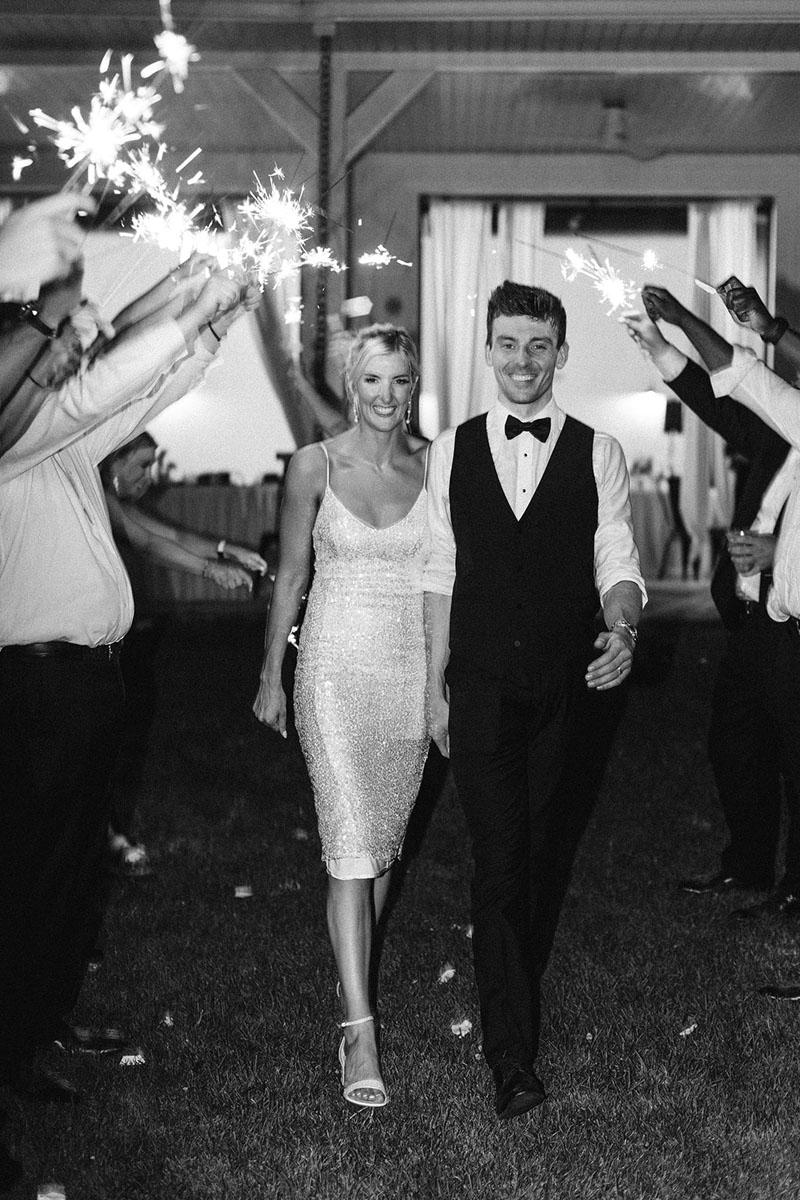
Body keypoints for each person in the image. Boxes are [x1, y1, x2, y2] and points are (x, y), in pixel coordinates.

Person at [0, 258, 256, 1119]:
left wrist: (213, 324)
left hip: (82, 685)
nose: (68, 357)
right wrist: (191, 311)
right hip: (37, 688)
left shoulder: (61, 441)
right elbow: (101, 383)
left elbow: (132, 396)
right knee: (34, 872)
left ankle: (47, 1017)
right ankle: (13, 1047)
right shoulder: (12, 439)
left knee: (73, 867)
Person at [424, 280, 646, 1121]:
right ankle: (510, 1057)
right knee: (500, 859)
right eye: (508, 344)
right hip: (477, 682)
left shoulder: (601, 451)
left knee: (541, 850)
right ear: (487, 350)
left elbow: (617, 561)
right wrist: (432, 688)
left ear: (560, 353)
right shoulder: (451, 449)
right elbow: (438, 570)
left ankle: (515, 976)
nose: (523, 361)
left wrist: (622, 631)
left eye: (539, 346)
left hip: (562, 684)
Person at [254, 324, 430, 1109]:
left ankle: (349, 983)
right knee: (349, 848)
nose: (387, 398)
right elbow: (290, 576)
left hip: (409, 676)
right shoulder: (313, 466)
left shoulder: (437, 469)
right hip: (331, 672)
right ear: (350, 386)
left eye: (399, 382)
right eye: (373, 382)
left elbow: (449, 582)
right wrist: (270, 674)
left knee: (382, 848)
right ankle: (359, 1031)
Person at [620, 288, 795, 901]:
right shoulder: (782, 431)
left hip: (793, 623)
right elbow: (724, 396)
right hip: (752, 619)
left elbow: (741, 372)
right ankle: (746, 865)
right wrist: (663, 349)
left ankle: (795, 888)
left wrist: (782, 556)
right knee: (735, 742)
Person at [100, 432, 266, 876]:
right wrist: (214, 567)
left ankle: (109, 833)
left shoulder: (108, 502)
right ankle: (104, 838)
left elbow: (166, 533)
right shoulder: (91, 495)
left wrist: (227, 550)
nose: (148, 478)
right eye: (140, 466)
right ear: (112, 462)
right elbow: (150, 541)